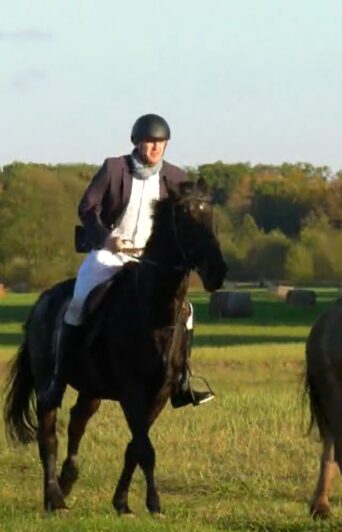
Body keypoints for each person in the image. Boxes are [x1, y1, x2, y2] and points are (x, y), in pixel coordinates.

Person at [36, 114, 213, 410]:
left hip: (150, 262)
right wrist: (106, 238)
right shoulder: (114, 168)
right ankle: (58, 379)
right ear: (137, 143)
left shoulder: (176, 177)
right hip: (110, 253)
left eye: (160, 143)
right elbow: (87, 207)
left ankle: (181, 382)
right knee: (78, 303)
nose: (155, 148)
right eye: (149, 142)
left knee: (187, 311)